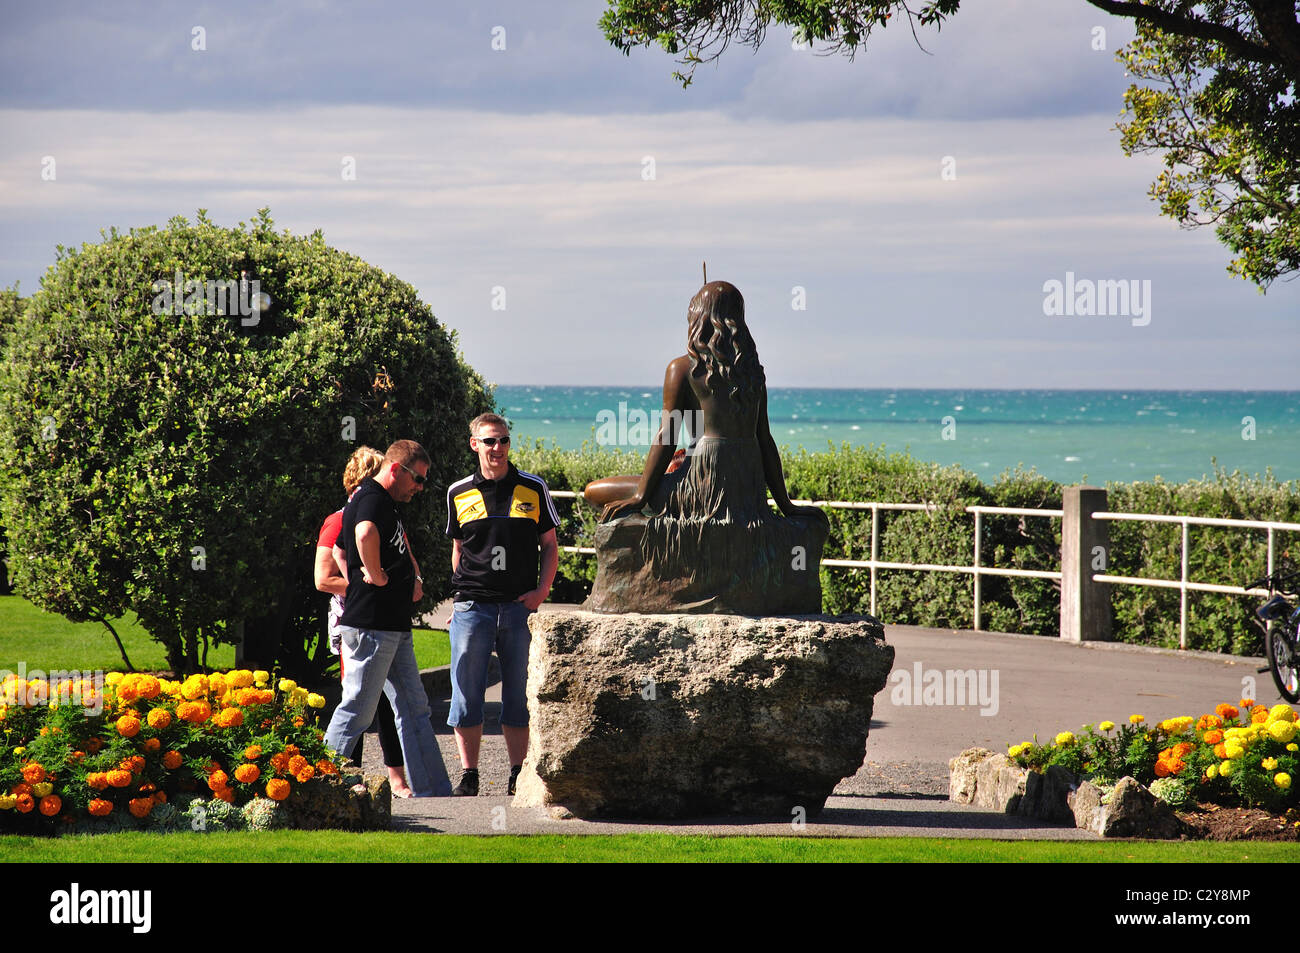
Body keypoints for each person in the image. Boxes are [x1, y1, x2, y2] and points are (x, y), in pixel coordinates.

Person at [584, 280, 827, 613]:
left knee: (596, 491)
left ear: (697, 316)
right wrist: (784, 504)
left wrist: (640, 496)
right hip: (745, 492)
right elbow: (764, 440)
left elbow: (667, 437)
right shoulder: (753, 372)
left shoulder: (681, 368)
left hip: (699, 489)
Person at [323, 439, 452, 797]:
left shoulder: (380, 502)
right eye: (418, 479)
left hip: (391, 626)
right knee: (358, 712)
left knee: (414, 707)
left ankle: (434, 790)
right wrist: (375, 575)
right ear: (396, 469)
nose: (420, 488)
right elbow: (361, 535)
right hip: (372, 626)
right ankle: (316, 783)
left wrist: (408, 578)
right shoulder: (371, 499)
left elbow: (341, 546)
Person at [445, 413, 559, 796]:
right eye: (490, 441)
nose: (498, 448)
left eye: (504, 441)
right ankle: (469, 775)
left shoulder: (533, 487)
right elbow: (458, 549)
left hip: (518, 609)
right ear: (474, 443)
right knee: (466, 694)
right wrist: (462, 596)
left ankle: (517, 774)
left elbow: (549, 546)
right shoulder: (458, 492)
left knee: (518, 695)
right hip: (472, 609)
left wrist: (541, 592)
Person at [315, 445, 411, 797]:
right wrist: (368, 582)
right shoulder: (343, 519)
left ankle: (391, 777)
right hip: (357, 620)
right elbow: (323, 578)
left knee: (383, 703)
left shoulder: (383, 514)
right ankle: (337, 774)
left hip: (382, 619)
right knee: (359, 702)